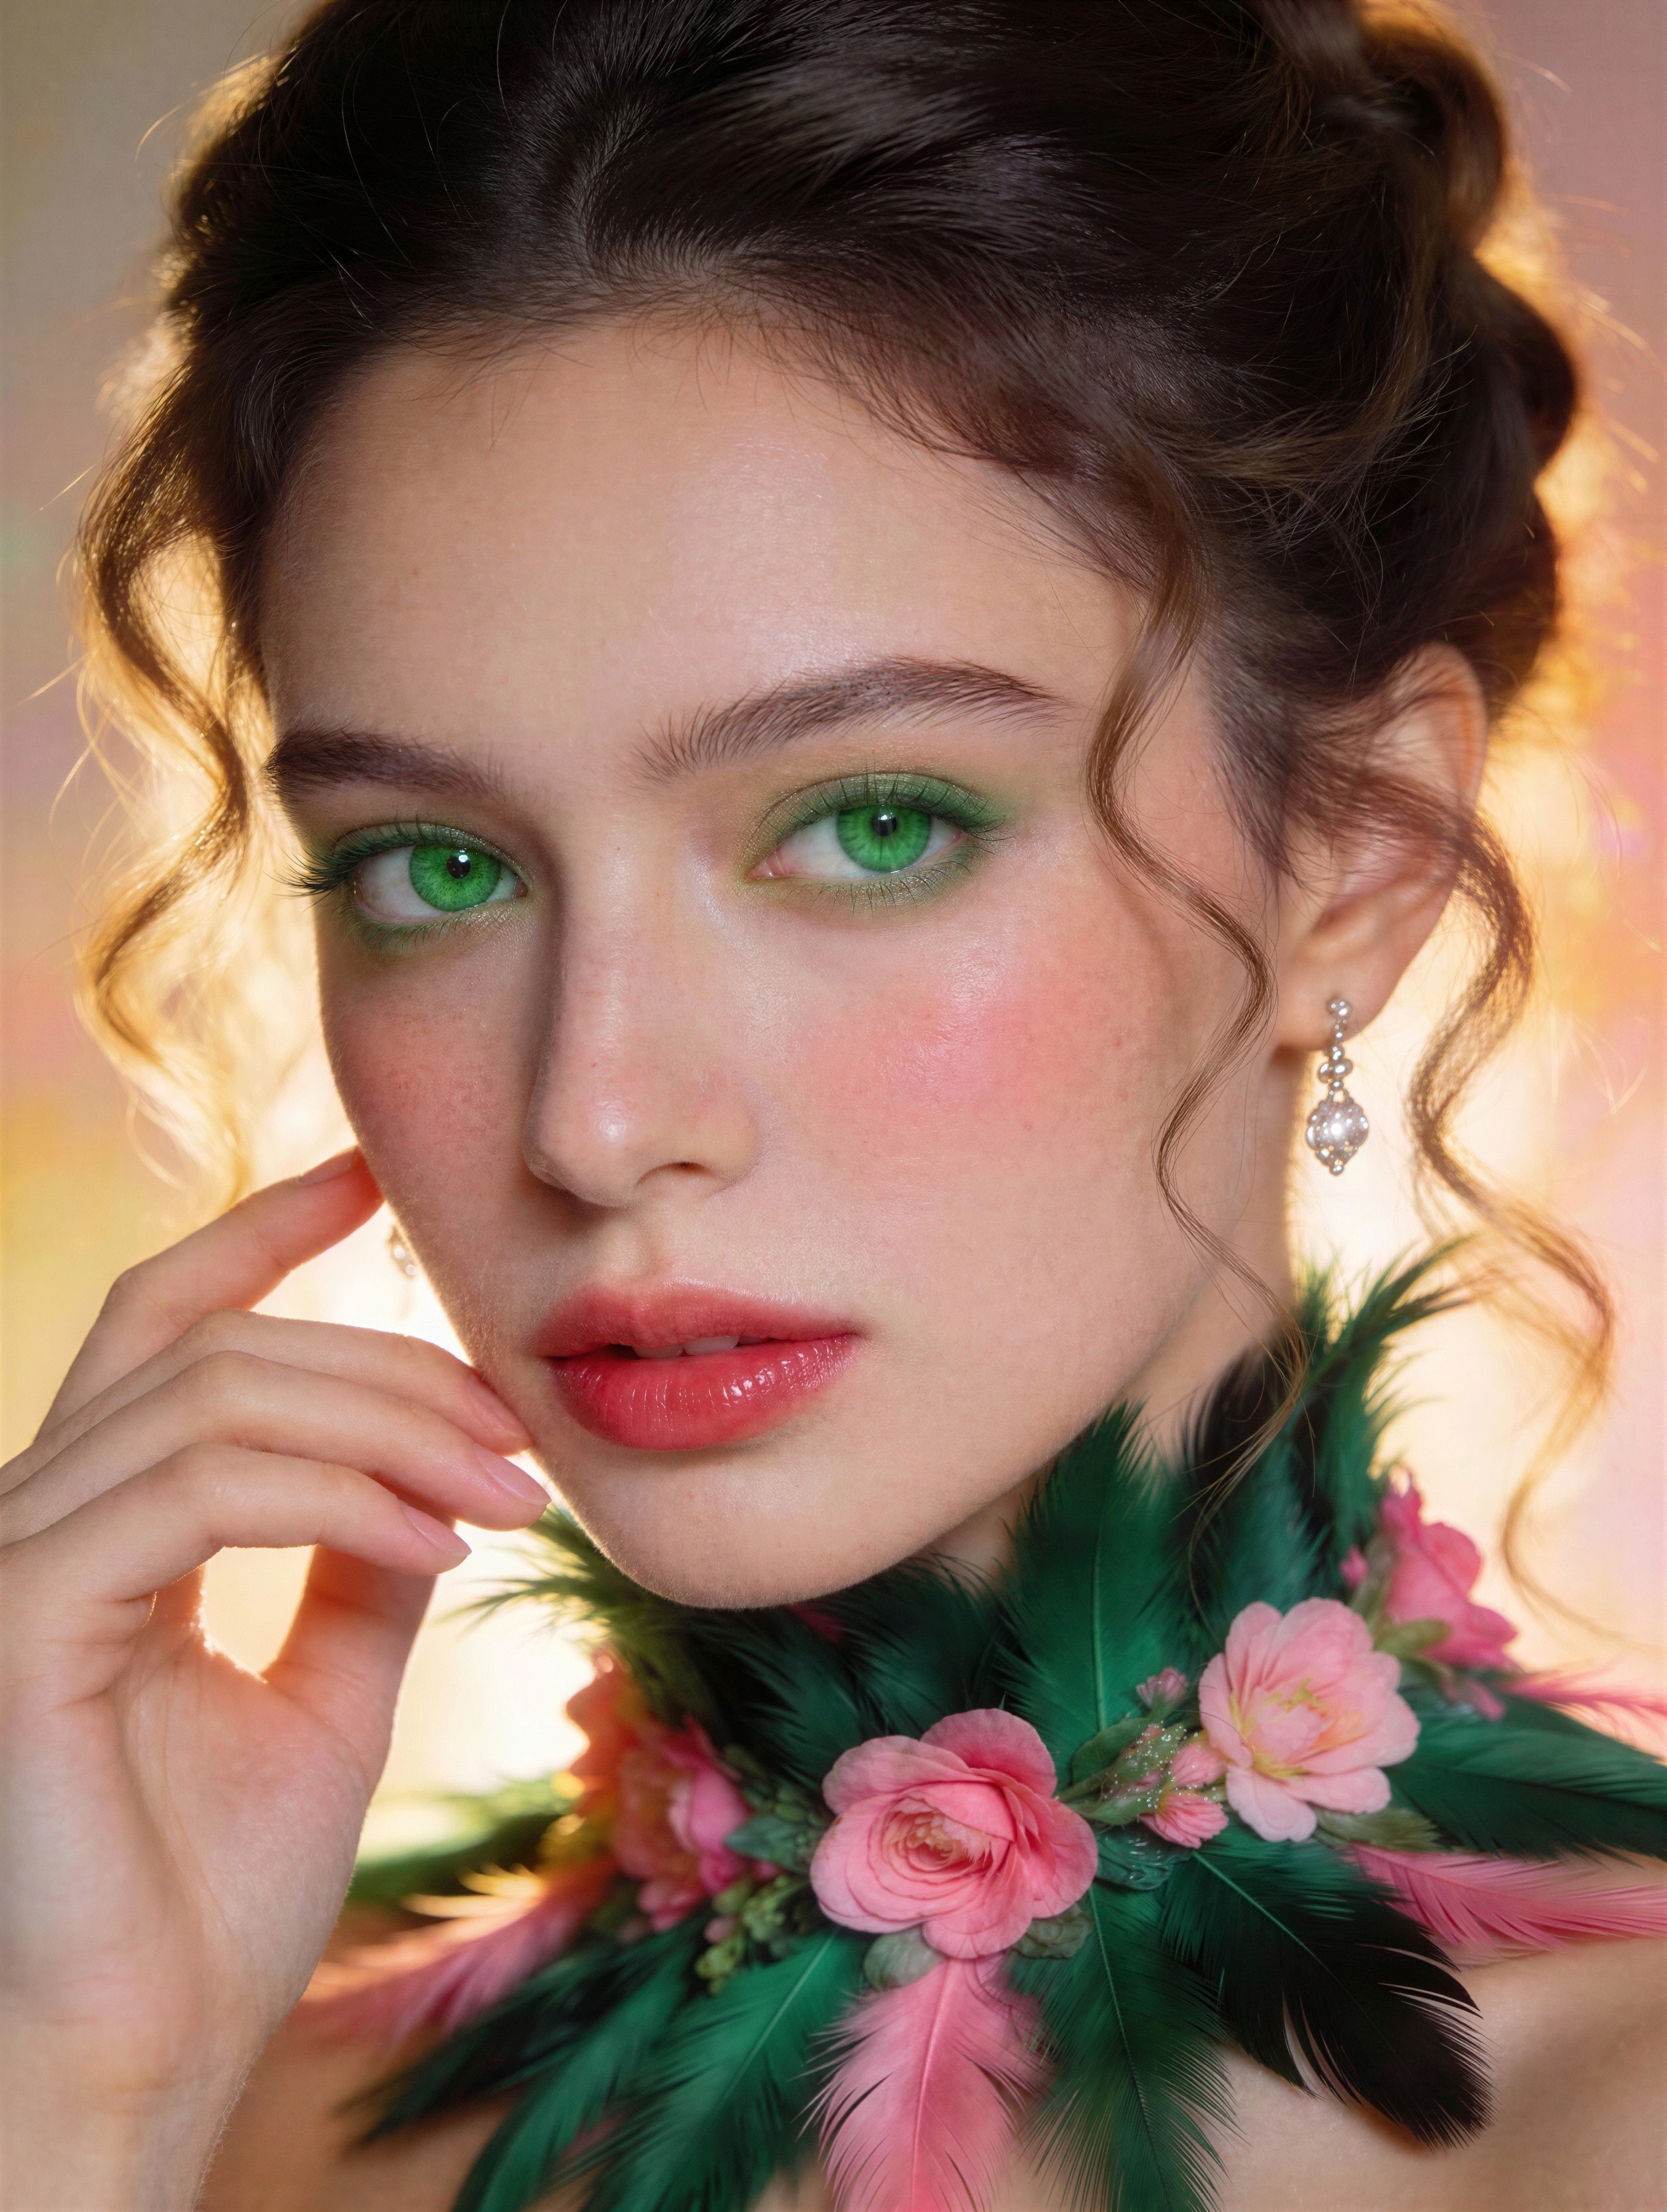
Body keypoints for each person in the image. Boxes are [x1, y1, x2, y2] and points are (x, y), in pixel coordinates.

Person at [2, 3, 1662, 2208]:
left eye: (874, 826)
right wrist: (86, 2098)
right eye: (441, 867)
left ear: (1353, 849)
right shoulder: (203, 2128)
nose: (593, 1120)